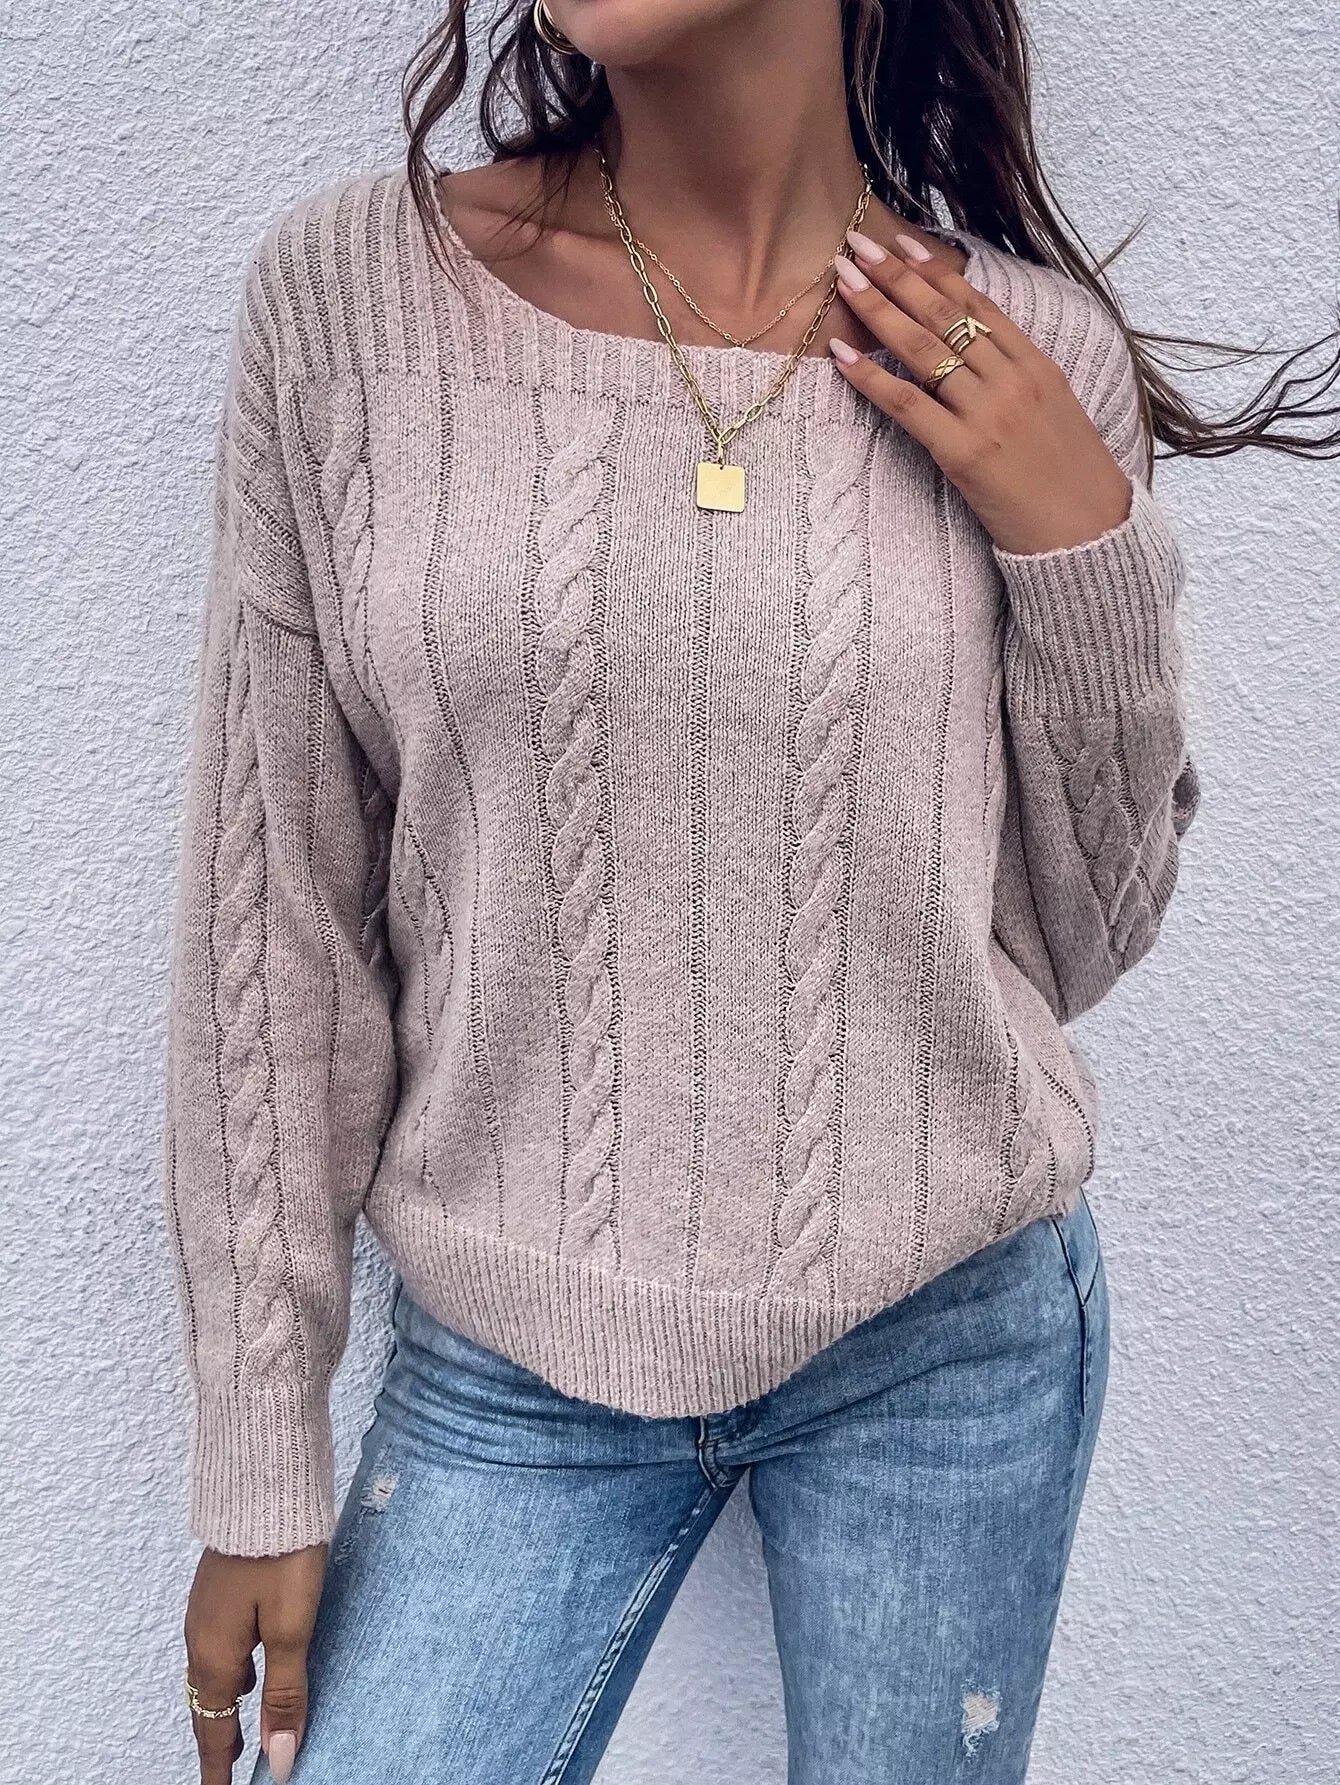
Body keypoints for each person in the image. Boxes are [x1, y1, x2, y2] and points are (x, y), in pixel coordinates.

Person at [162, 2, 1337, 1780]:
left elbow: (1083, 935)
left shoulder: (1028, 359)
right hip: (507, 1346)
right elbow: (275, 908)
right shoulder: (356, 303)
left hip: (948, 1338)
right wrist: (260, 1451)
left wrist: (1077, 537)